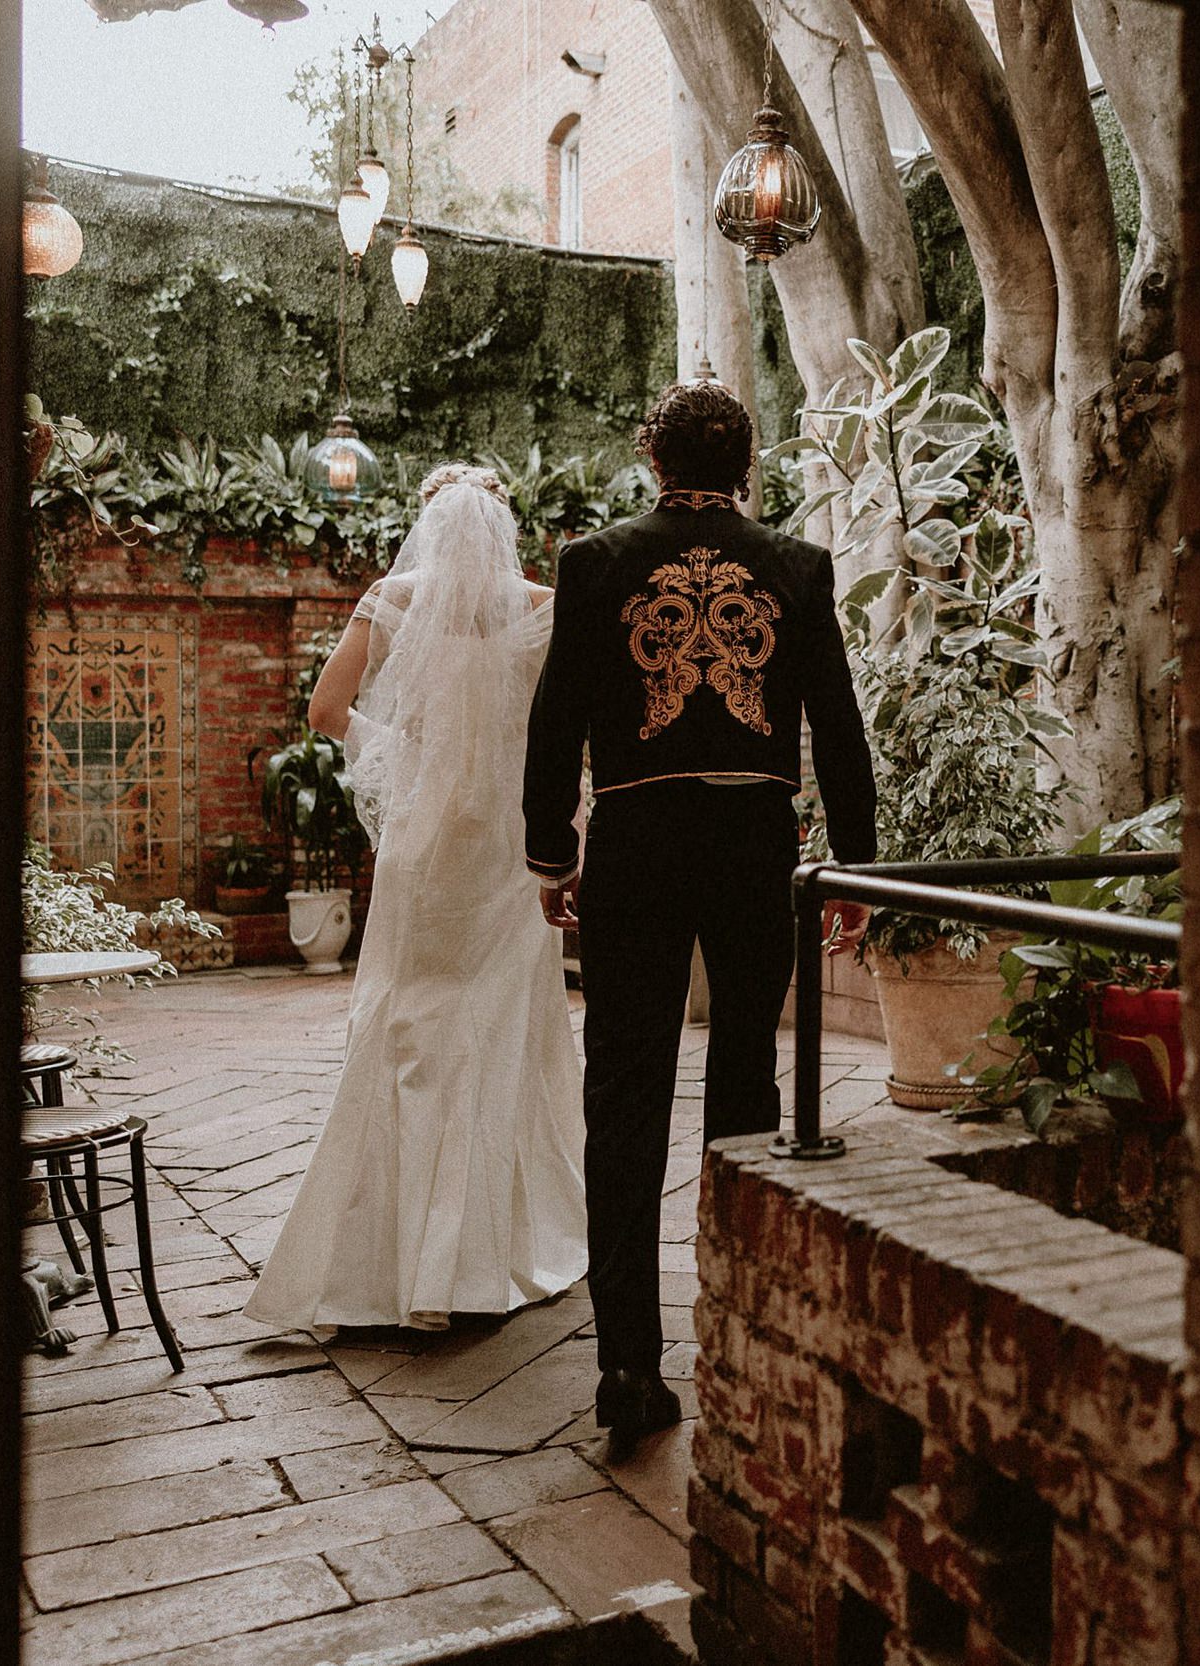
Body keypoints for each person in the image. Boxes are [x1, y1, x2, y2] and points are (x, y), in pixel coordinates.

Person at [524, 381, 877, 1447]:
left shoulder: (594, 563)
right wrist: (853, 865)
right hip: (752, 849)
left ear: (652, 458)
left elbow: (554, 725)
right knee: (745, 1085)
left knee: (624, 1093)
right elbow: (839, 729)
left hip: (633, 846)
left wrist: (554, 851)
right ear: (748, 463)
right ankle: (741, 1334)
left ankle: (628, 1367)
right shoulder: (798, 567)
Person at [247, 464, 589, 1333]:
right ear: (504, 524)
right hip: (510, 851)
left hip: (425, 846)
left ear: (427, 525)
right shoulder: (546, 606)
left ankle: (395, 1263)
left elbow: (327, 710)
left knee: (406, 1022)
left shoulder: (391, 600)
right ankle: (485, 1257)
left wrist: (400, 758)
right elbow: (570, 733)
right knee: (505, 1027)